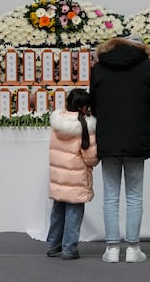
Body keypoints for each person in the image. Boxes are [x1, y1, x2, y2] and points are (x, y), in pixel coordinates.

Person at [89, 35, 150, 263]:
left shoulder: (100, 67)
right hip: (136, 137)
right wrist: (145, 126)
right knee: (135, 195)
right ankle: (133, 248)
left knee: (111, 196)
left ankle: (112, 249)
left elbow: (94, 103)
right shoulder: (149, 67)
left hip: (108, 138)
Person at [46, 88, 98, 260]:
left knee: (57, 213)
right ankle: (69, 249)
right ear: (84, 108)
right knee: (73, 215)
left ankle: (53, 245)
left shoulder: (57, 122)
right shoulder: (86, 126)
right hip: (76, 179)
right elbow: (91, 158)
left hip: (58, 177)